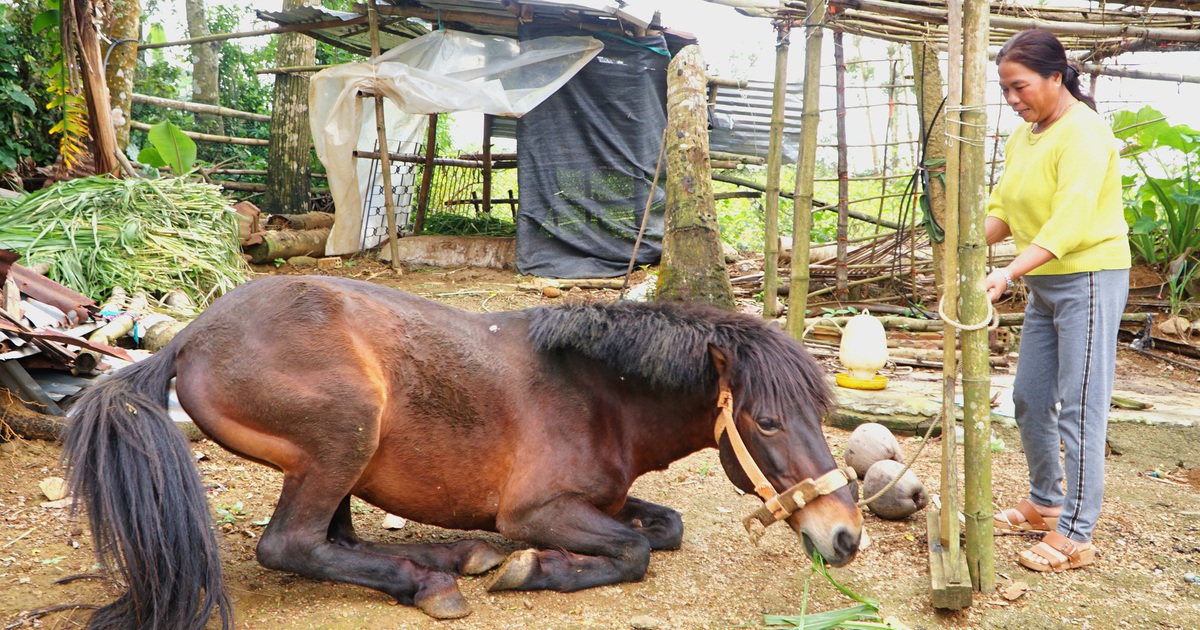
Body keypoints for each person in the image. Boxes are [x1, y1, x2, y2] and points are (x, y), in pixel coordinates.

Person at [984, 29, 1131, 573]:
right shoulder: (1024, 137)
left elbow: (1069, 222)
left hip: (1088, 278)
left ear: (1054, 76)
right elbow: (1005, 208)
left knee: (1080, 404)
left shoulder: (1085, 133)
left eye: (1019, 87)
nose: (1012, 99)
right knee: (1028, 397)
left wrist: (1007, 272)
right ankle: (1046, 501)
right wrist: (966, 241)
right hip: (1046, 283)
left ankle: (1076, 532)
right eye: (1005, 89)